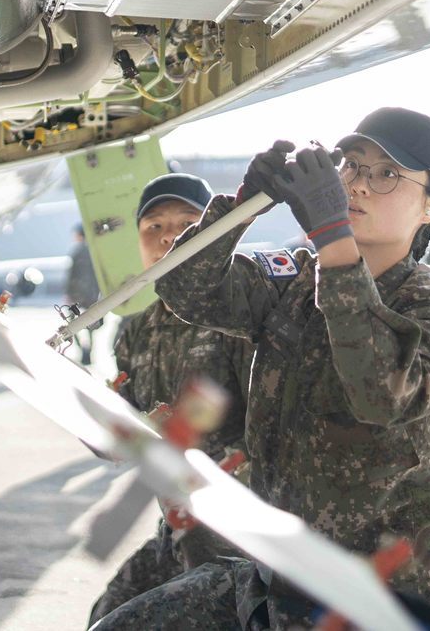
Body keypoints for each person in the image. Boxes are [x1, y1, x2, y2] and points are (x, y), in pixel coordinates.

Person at [95, 108, 430, 629]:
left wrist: (331, 237)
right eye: (351, 166)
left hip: (369, 598)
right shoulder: (296, 283)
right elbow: (188, 291)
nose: (359, 185)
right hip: (271, 572)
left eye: (386, 174)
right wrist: (242, 206)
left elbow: (381, 391)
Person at [89, 173, 255, 626]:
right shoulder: (135, 331)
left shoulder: (241, 318)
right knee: (105, 613)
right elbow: (118, 437)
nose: (168, 237)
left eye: (186, 222)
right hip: (179, 529)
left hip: (239, 541)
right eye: (153, 227)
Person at [67, 224, 101, 364]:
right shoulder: (95, 251)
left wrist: (68, 294)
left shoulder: (77, 251)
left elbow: (72, 275)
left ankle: (82, 350)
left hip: (78, 295)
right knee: (91, 325)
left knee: (71, 323)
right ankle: (89, 352)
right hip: (93, 294)